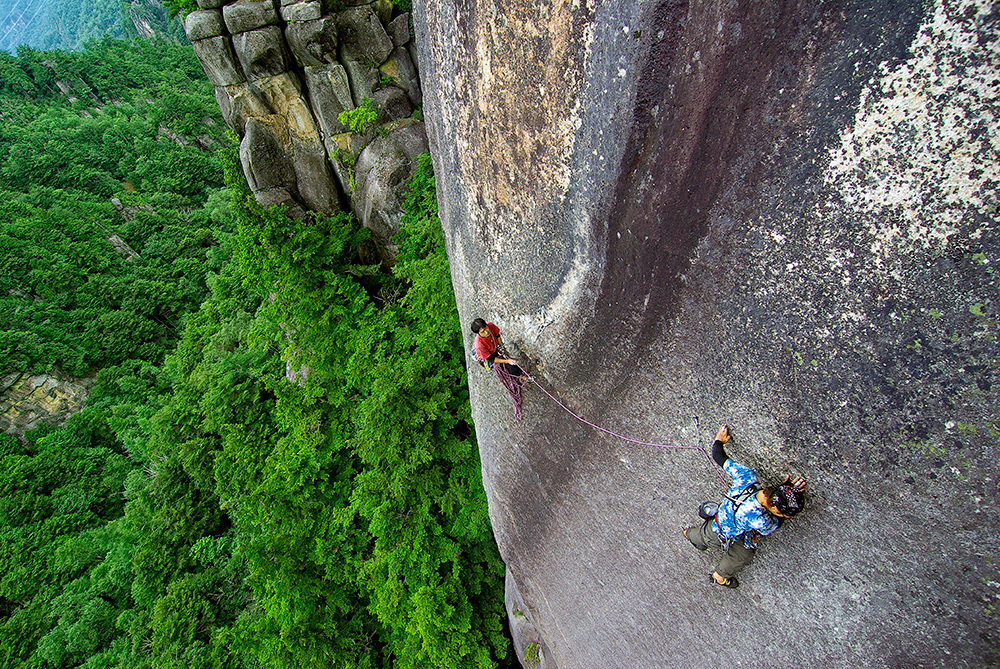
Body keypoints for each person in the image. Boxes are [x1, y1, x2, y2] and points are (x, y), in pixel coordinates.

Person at [683, 424, 806, 589]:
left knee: (704, 534)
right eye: (786, 514)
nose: (787, 516)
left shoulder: (746, 477)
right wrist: (782, 513)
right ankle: (719, 577)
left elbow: (718, 455)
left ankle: (689, 534)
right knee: (743, 555)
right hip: (723, 531)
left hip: (721, 519)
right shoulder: (760, 521)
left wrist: (719, 441)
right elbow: (774, 525)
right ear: (776, 510)